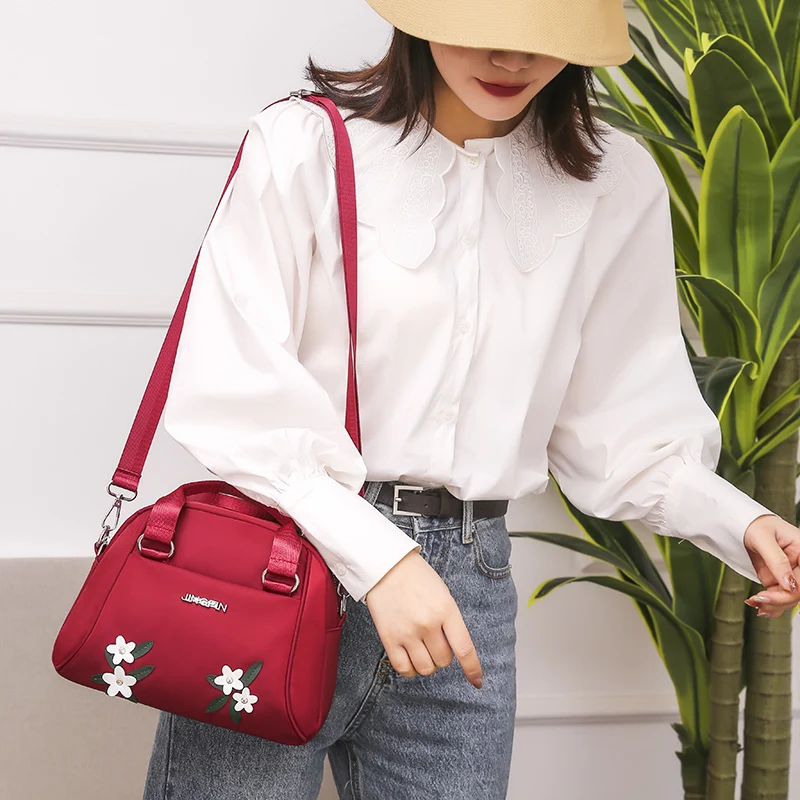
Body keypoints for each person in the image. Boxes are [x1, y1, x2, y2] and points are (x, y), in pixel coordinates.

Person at [142, 1, 800, 797]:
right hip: (282, 562)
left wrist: (740, 521)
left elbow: (618, 417)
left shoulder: (611, 182)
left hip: (467, 588)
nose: (511, 58)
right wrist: (381, 560)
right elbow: (229, 386)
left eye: (544, 36)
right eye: (483, 25)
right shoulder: (306, 145)